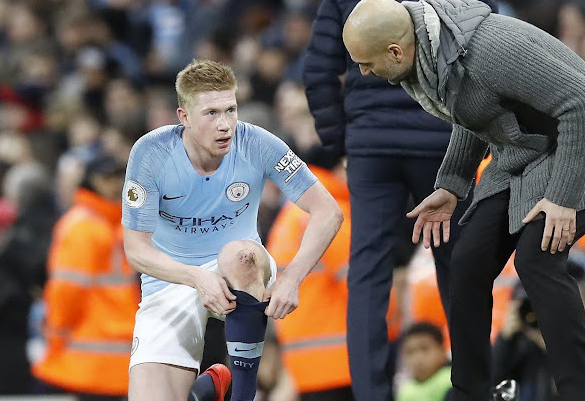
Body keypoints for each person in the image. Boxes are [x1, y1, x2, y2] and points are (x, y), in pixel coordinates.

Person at [341, 0, 585, 401]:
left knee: (538, 259)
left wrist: (562, 199)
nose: (363, 71)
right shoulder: (435, 51)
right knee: (467, 262)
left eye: (367, 61)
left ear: (396, 51)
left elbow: (584, 103)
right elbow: (475, 110)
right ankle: (471, 393)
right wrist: (451, 185)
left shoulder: (487, 50)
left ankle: (583, 393)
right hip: (526, 151)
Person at [302, 0, 496, 399]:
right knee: (461, 265)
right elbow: (490, 63)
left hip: (370, 146)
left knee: (368, 270)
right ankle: (473, 388)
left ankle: (369, 392)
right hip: (446, 143)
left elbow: (318, 69)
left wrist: (341, 141)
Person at [122, 59, 343, 401]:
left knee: (239, 255)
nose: (225, 124)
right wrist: (195, 277)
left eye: (231, 110)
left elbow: (328, 211)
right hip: (172, 278)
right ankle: (213, 388)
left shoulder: (257, 143)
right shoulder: (151, 153)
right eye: (211, 113)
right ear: (184, 117)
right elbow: (136, 250)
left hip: (239, 268)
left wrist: (291, 278)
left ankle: (242, 393)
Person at [32, 155, 140, 400]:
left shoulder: (114, 223)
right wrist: (58, 335)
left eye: (118, 177)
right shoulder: (84, 227)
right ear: (92, 181)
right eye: (107, 177)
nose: (115, 184)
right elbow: (66, 291)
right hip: (93, 357)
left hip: (113, 355)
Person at [267, 153, 355, 401]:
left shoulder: (288, 218)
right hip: (343, 363)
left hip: (304, 366)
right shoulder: (331, 215)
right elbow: (360, 287)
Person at [396, 322, 452, 401]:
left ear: (442, 350)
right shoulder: (405, 391)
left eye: (424, 349)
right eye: (410, 352)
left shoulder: (451, 380)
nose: (418, 359)